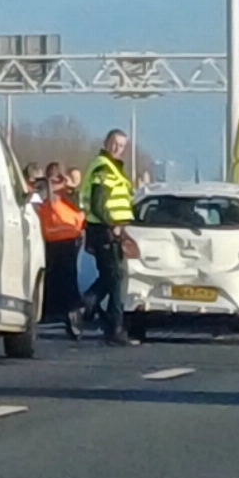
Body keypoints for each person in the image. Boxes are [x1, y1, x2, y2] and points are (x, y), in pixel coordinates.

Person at [78, 129, 136, 345]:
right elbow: (98, 203)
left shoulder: (112, 168)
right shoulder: (104, 168)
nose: (117, 148)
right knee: (117, 277)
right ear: (105, 142)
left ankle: (98, 317)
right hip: (105, 230)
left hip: (109, 230)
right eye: (114, 143)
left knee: (111, 277)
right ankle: (110, 324)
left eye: (121, 145)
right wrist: (113, 226)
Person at [37, 160, 86, 338]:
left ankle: (74, 314)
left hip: (69, 242)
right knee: (52, 280)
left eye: (56, 177)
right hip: (50, 243)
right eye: (50, 177)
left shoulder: (69, 193)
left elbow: (76, 201)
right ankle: (56, 314)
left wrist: (65, 183)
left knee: (68, 282)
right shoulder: (46, 193)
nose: (53, 181)